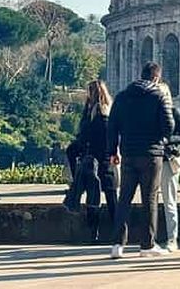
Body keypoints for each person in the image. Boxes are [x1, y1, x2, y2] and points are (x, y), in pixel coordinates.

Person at [107, 62, 175, 259]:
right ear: (156, 78)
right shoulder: (158, 96)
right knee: (150, 199)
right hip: (152, 154)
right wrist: (162, 140)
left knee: (124, 199)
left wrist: (113, 151)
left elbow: (112, 127)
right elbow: (169, 125)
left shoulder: (122, 96)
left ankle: (117, 244)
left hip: (128, 153)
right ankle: (147, 245)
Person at [65, 81, 118, 242]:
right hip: (106, 159)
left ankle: (94, 233)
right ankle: (118, 232)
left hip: (94, 159)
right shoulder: (109, 111)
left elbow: (84, 136)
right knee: (111, 197)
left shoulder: (96, 115)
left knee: (93, 197)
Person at [159, 83, 180, 253]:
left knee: (169, 201)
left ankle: (172, 238)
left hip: (168, 160)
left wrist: (169, 143)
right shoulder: (151, 113)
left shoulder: (175, 112)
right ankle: (150, 238)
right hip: (152, 160)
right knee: (150, 201)